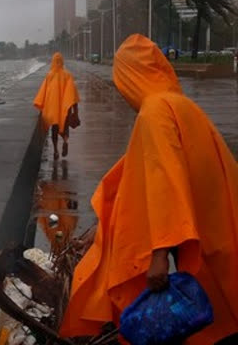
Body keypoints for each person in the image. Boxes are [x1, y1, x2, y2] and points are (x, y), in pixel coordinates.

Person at [60, 34, 238, 344]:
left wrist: (159, 253)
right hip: (220, 232)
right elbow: (142, 169)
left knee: (205, 318)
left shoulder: (154, 112)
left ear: (130, 77)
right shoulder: (181, 105)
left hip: (203, 240)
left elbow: (165, 178)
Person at [33, 52, 80, 159]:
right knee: (64, 127)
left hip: (53, 108)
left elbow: (43, 92)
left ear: (53, 62)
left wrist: (41, 104)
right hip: (65, 108)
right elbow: (72, 94)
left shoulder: (49, 75)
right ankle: (65, 141)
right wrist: (75, 111)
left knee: (54, 130)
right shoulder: (67, 75)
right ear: (62, 61)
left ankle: (55, 150)